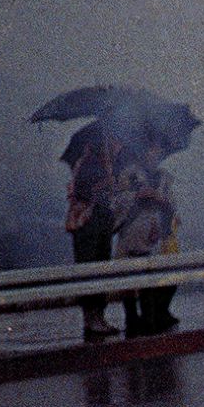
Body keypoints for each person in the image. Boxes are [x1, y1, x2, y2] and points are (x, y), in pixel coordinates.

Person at [112, 135, 178, 335]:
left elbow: (172, 205)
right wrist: (137, 196)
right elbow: (117, 202)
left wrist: (161, 200)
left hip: (153, 231)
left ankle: (150, 319)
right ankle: (131, 319)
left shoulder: (164, 178)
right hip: (131, 231)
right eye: (151, 150)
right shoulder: (128, 175)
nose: (155, 154)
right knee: (129, 278)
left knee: (150, 276)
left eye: (158, 150)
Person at [65, 131, 122, 340]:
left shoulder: (105, 166)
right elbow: (83, 192)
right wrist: (106, 183)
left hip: (101, 222)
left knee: (101, 267)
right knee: (91, 268)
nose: (118, 147)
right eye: (114, 142)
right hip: (89, 224)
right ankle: (92, 317)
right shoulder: (89, 165)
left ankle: (98, 316)